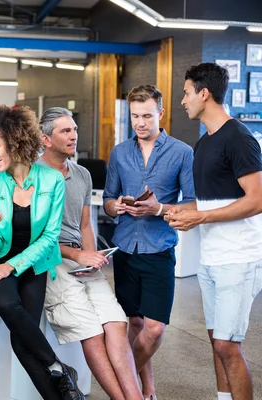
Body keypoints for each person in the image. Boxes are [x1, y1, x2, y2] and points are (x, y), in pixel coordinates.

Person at [0, 104, 83, 400]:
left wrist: (13, 266)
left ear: (15, 140)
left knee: (22, 344)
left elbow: (50, 237)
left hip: (35, 264)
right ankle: (58, 366)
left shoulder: (52, 181)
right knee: (7, 304)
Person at [166, 63, 262, 400]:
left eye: (186, 93)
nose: (183, 101)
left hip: (239, 257)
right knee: (216, 341)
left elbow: (257, 200)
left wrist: (200, 219)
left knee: (227, 344)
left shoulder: (238, 137)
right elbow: (208, 204)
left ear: (204, 94)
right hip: (212, 257)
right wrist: (177, 211)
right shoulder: (205, 143)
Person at [37, 107, 142, 400]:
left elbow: (85, 224)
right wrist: (76, 255)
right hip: (53, 261)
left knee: (116, 324)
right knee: (93, 333)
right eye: (65, 131)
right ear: (46, 139)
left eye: (74, 130)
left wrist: (92, 257)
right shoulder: (33, 175)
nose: (74, 136)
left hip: (82, 261)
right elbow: (34, 238)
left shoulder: (82, 174)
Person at [102, 85, 196, 400]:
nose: (140, 123)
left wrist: (158, 208)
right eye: (135, 116)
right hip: (126, 249)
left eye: (146, 115)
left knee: (154, 328)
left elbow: (193, 205)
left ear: (160, 113)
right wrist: (116, 206)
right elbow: (108, 199)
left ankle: (119, 382)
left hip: (159, 249)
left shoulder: (182, 152)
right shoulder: (119, 152)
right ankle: (146, 390)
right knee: (134, 323)